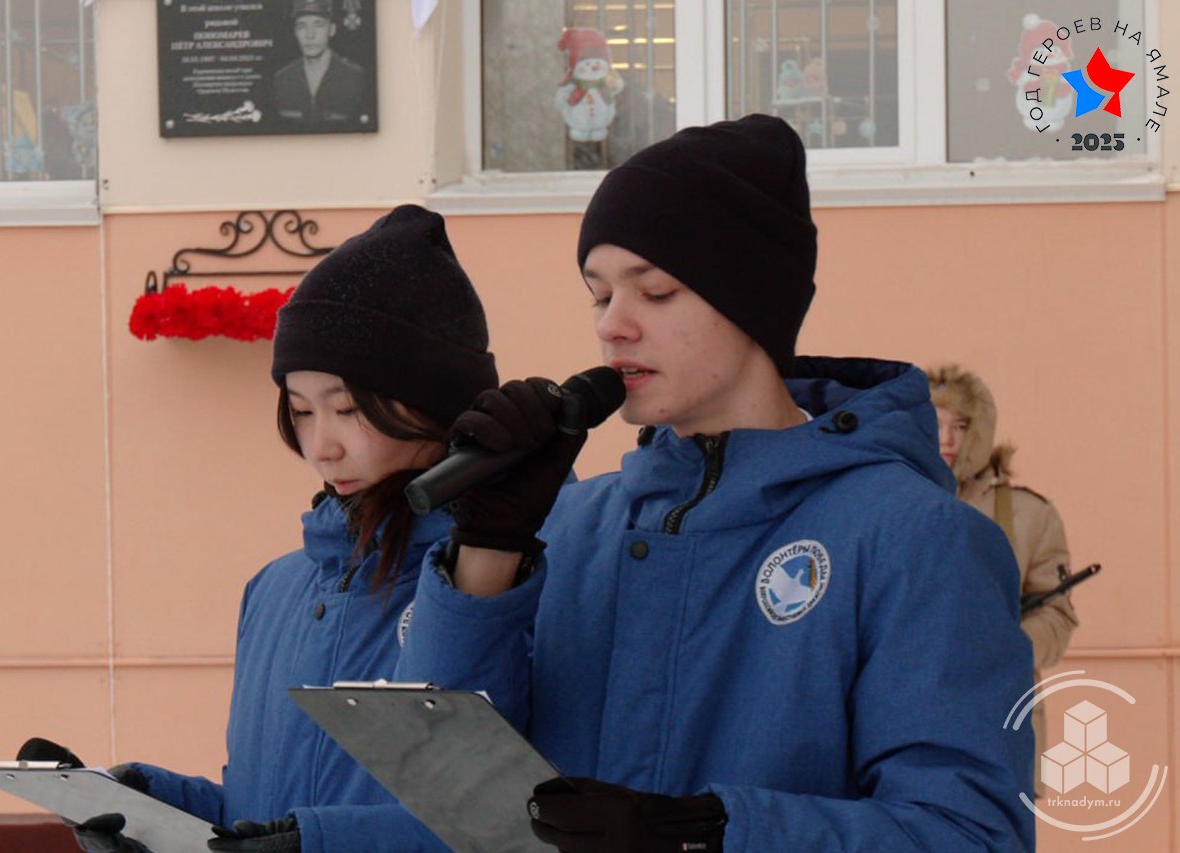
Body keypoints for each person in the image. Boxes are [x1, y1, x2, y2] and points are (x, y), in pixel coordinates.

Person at [395, 115, 1037, 851]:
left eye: (656, 291)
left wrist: (706, 833)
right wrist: (488, 552)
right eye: (598, 294)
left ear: (752, 300)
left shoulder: (915, 538)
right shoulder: (571, 525)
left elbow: (970, 833)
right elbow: (443, 779)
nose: (614, 326)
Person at [18, 205, 498, 853]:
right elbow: (258, 806)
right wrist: (141, 801)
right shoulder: (276, 588)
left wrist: (312, 840)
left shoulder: (496, 577)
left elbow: (512, 818)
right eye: (301, 410)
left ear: (434, 401)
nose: (321, 445)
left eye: (348, 408)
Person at [930, 363, 1080, 790]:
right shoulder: (881, 505)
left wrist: (1006, 647)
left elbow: (1057, 615)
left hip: (999, 722)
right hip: (903, 721)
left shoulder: (1029, 515)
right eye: (936, 423)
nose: (947, 439)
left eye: (961, 425)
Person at [272, 0, 368, 128]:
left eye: (319, 25)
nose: (309, 35)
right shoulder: (282, 80)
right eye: (301, 26)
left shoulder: (355, 78)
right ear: (295, 32)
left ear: (332, 30)